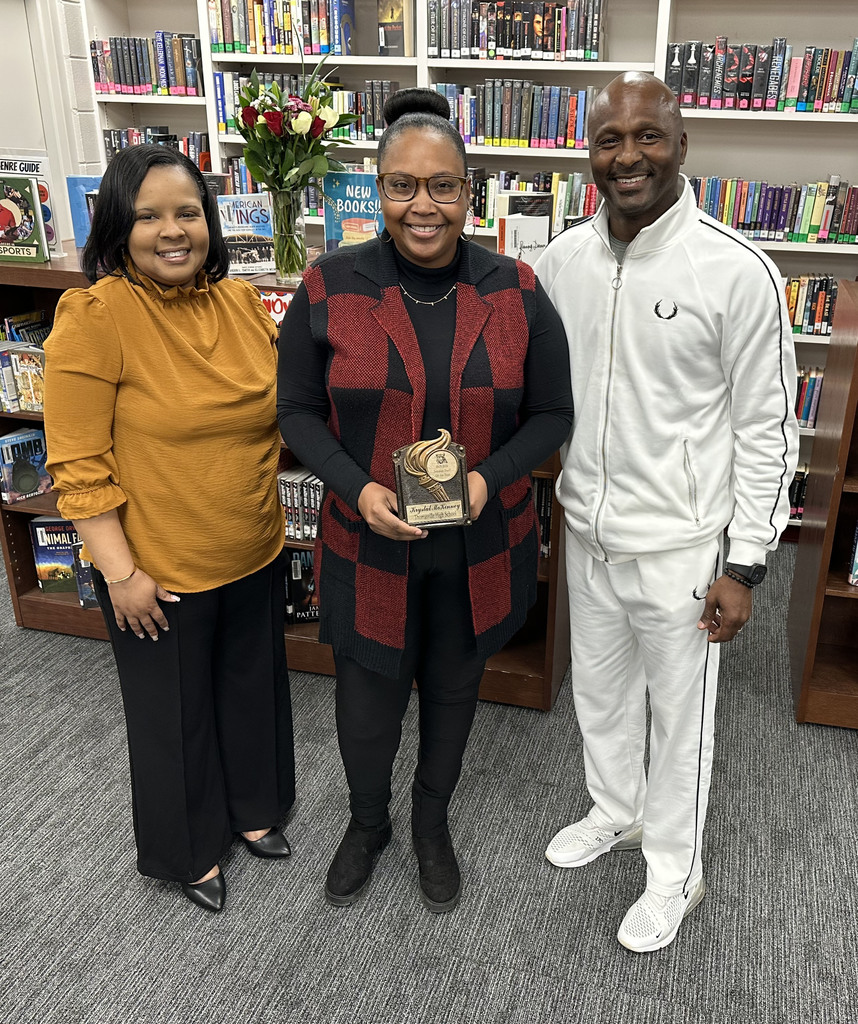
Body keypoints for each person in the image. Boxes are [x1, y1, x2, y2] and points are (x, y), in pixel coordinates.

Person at [277, 88, 573, 913]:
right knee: (366, 701)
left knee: (452, 690)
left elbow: (554, 414)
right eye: (403, 185)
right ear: (377, 190)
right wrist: (358, 488)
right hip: (368, 539)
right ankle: (367, 822)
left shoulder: (515, 288)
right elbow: (295, 409)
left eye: (442, 185)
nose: (423, 204)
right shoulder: (331, 284)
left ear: (468, 191)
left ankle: (429, 823)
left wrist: (486, 479)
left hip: (479, 545)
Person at [535, 73, 799, 952]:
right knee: (601, 697)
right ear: (590, 155)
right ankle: (615, 810)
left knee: (680, 720)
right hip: (590, 536)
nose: (628, 156)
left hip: (685, 549)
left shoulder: (736, 270)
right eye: (610, 140)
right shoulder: (561, 263)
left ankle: (675, 871)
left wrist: (747, 561)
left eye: (648, 136)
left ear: (683, 146)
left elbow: (768, 428)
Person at [43, 146, 295, 914]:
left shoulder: (240, 305)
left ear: (210, 221)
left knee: (252, 692)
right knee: (172, 717)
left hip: (253, 547)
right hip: (158, 570)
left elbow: (284, 412)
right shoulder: (97, 318)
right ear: (119, 228)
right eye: (149, 216)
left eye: (187, 212)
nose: (172, 231)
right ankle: (189, 851)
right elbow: (78, 464)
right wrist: (120, 572)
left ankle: (255, 810)